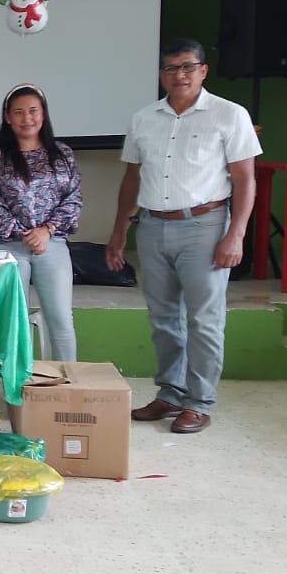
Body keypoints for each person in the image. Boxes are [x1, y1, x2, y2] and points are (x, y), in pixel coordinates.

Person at [105, 39, 260, 434]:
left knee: (204, 319)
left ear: (203, 70)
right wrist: (120, 230)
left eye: (188, 66)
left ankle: (199, 402)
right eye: (171, 68)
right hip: (153, 226)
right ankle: (170, 394)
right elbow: (132, 178)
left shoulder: (229, 115)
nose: (180, 75)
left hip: (205, 226)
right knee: (163, 319)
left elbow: (245, 179)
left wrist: (236, 234)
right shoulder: (144, 118)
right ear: (161, 75)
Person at [0, 84, 82, 361]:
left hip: (52, 244)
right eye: (19, 112)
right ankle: (18, 383)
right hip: (7, 247)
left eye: (33, 111)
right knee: (14, 322)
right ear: (8, 117)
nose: (27, 118)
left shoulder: (62, 154)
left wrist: (46, 231)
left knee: (61, 320)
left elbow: (73, 199)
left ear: (43, 114)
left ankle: (68, 381)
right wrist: (24, 234)